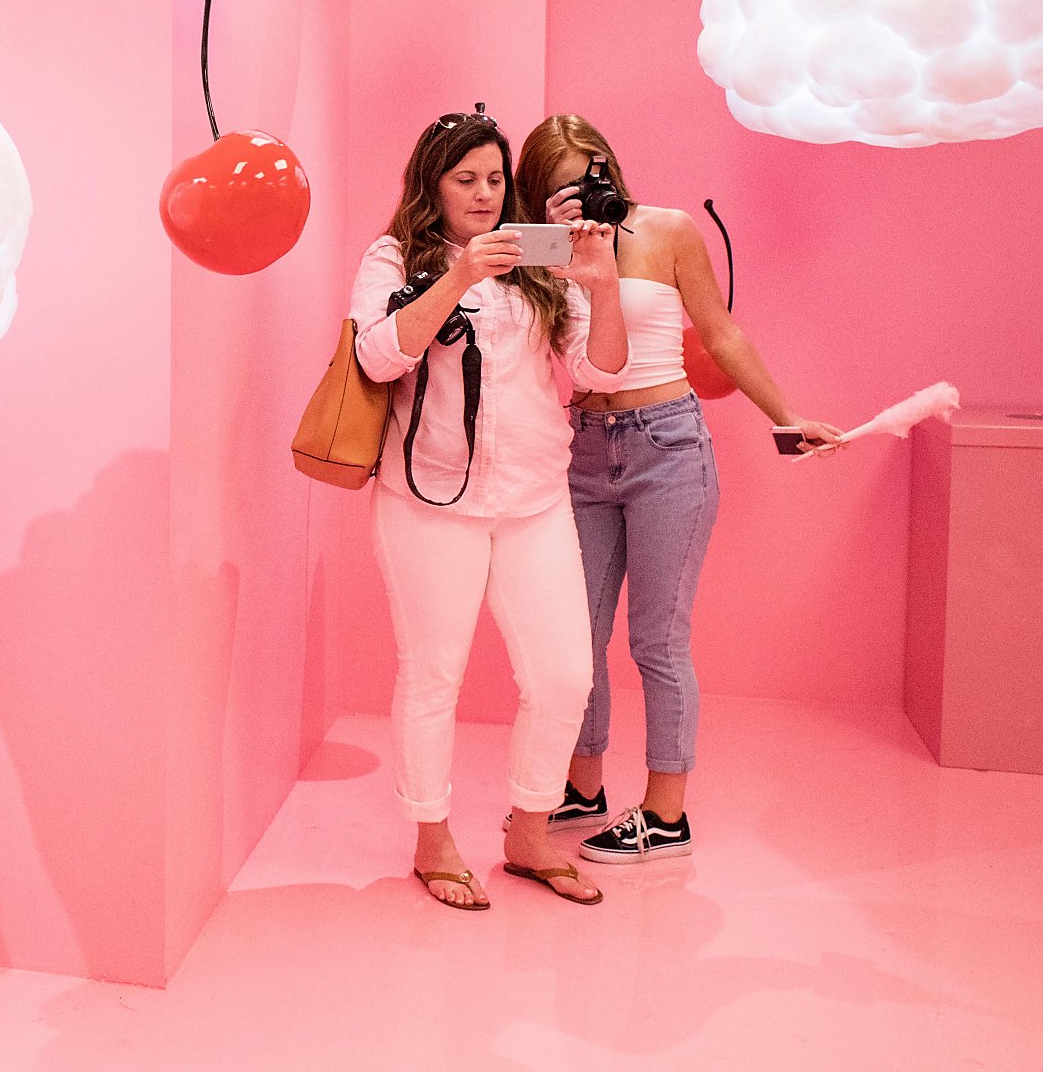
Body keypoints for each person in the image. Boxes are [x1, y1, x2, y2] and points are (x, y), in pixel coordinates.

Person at [515, 113, 844, 863]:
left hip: (667, 445)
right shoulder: (542, 250)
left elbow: (720, 334)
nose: (586, 191)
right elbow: (470, 266)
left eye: (593, 171)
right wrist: (550, 239)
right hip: (584, 450)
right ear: (540, 194)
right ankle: (583, 787)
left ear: (612, 165)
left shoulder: (665, 230)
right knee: (578, 636)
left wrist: (786, 417)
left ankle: (666, 815)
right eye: (562, 184)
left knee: (657, 639)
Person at [350, 105, 626, 909]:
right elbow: (377, 353)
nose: (482, 193)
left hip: (536, 498)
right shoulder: (396, 253)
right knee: (434, 674)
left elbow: (600, 372)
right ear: (432, 184)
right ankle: (432, 837)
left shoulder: (538, 251)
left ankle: (530, 830)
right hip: (430, 499)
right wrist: (462, 274)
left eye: (495, 179)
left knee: (566, 672)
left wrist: (601, 285)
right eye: (465, 178)